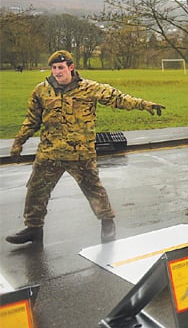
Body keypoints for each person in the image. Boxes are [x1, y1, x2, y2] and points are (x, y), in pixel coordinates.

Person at [6, 50, 165, 246]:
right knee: (36, 190)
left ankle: (107, 222)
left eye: (61, 68)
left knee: (94, 190)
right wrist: (18, 142)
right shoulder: (41, 90)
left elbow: (118, 98)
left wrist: (145, 105)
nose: (57, 72)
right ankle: (33, 228)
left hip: (80, 153)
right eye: (54, 68)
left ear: (71, 67)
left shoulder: (89, 88)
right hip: (50, 152)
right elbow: (31, 120)